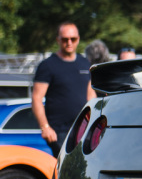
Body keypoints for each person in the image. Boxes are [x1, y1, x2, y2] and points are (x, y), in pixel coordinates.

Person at [32, 21, 96, 155]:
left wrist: (94, 122)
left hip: (83, 128)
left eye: (73, 39)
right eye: (65, 39)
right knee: (64, 170)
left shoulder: (84, 63)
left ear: (78, 39)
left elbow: (91, 96)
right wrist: (45, 127)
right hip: (59, 132)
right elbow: (37, 98)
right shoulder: (48, 65)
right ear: (58, 40)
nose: (69, 43)